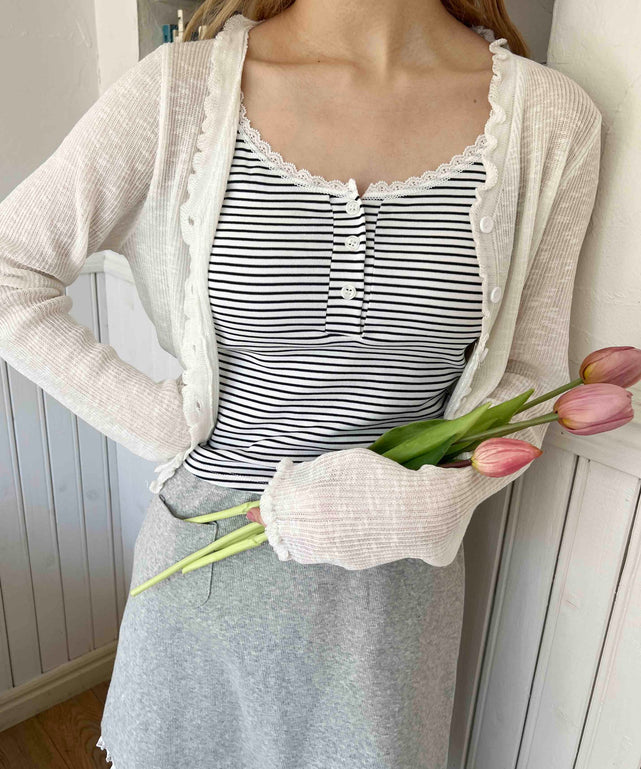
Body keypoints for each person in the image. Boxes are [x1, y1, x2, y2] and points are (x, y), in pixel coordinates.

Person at [0, 1, 602, 767]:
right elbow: (12, 269)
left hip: (387, 604)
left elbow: (531, 371)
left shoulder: (549, 121)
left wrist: (448, 494)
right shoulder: (177, 92)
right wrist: (161, 421)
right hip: (203, 571)